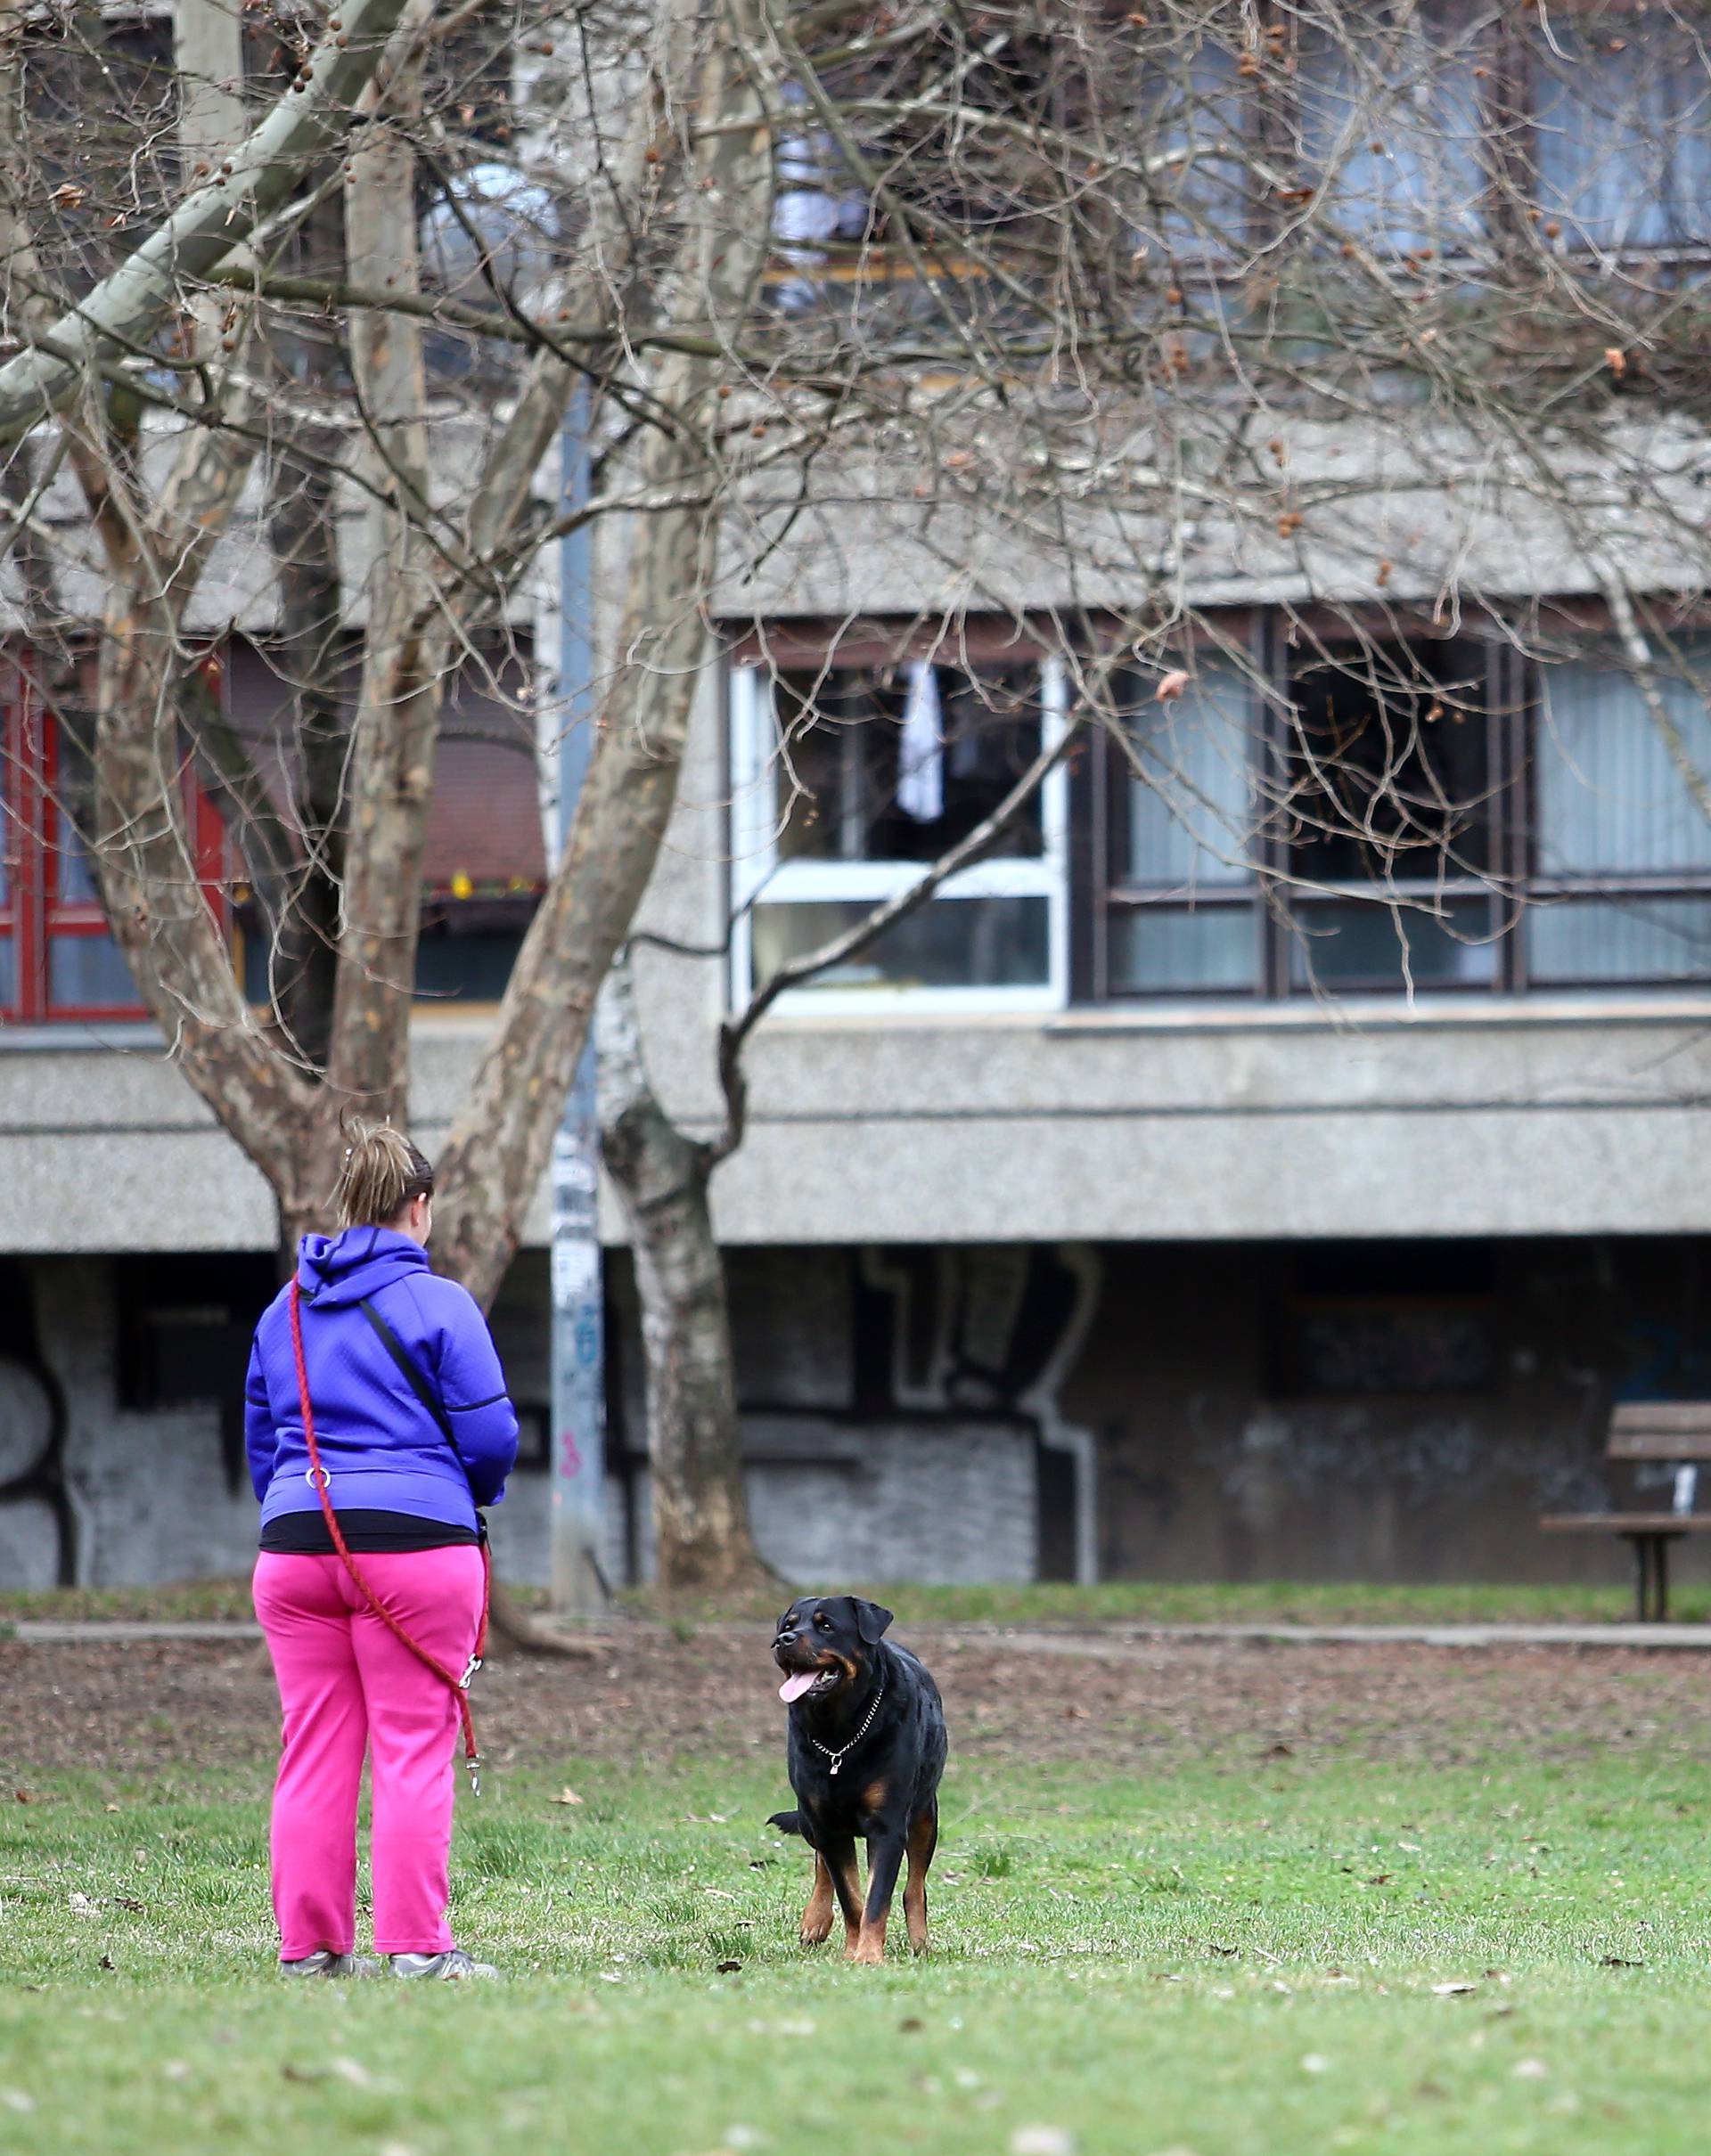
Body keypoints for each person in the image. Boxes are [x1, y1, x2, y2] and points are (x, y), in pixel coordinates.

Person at [246, 1123, 520, 1980]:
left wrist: (300, 1506)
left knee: (315, 1743)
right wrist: (453, 1492)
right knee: (410, 1744)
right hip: (415, 1551)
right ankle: (415, 1951)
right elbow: (493, 1438)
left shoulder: (283, 1310)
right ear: (419, 1207)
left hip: (295, 1547)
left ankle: (312, 1955)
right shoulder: (440, 1304)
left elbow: (263, 1443)